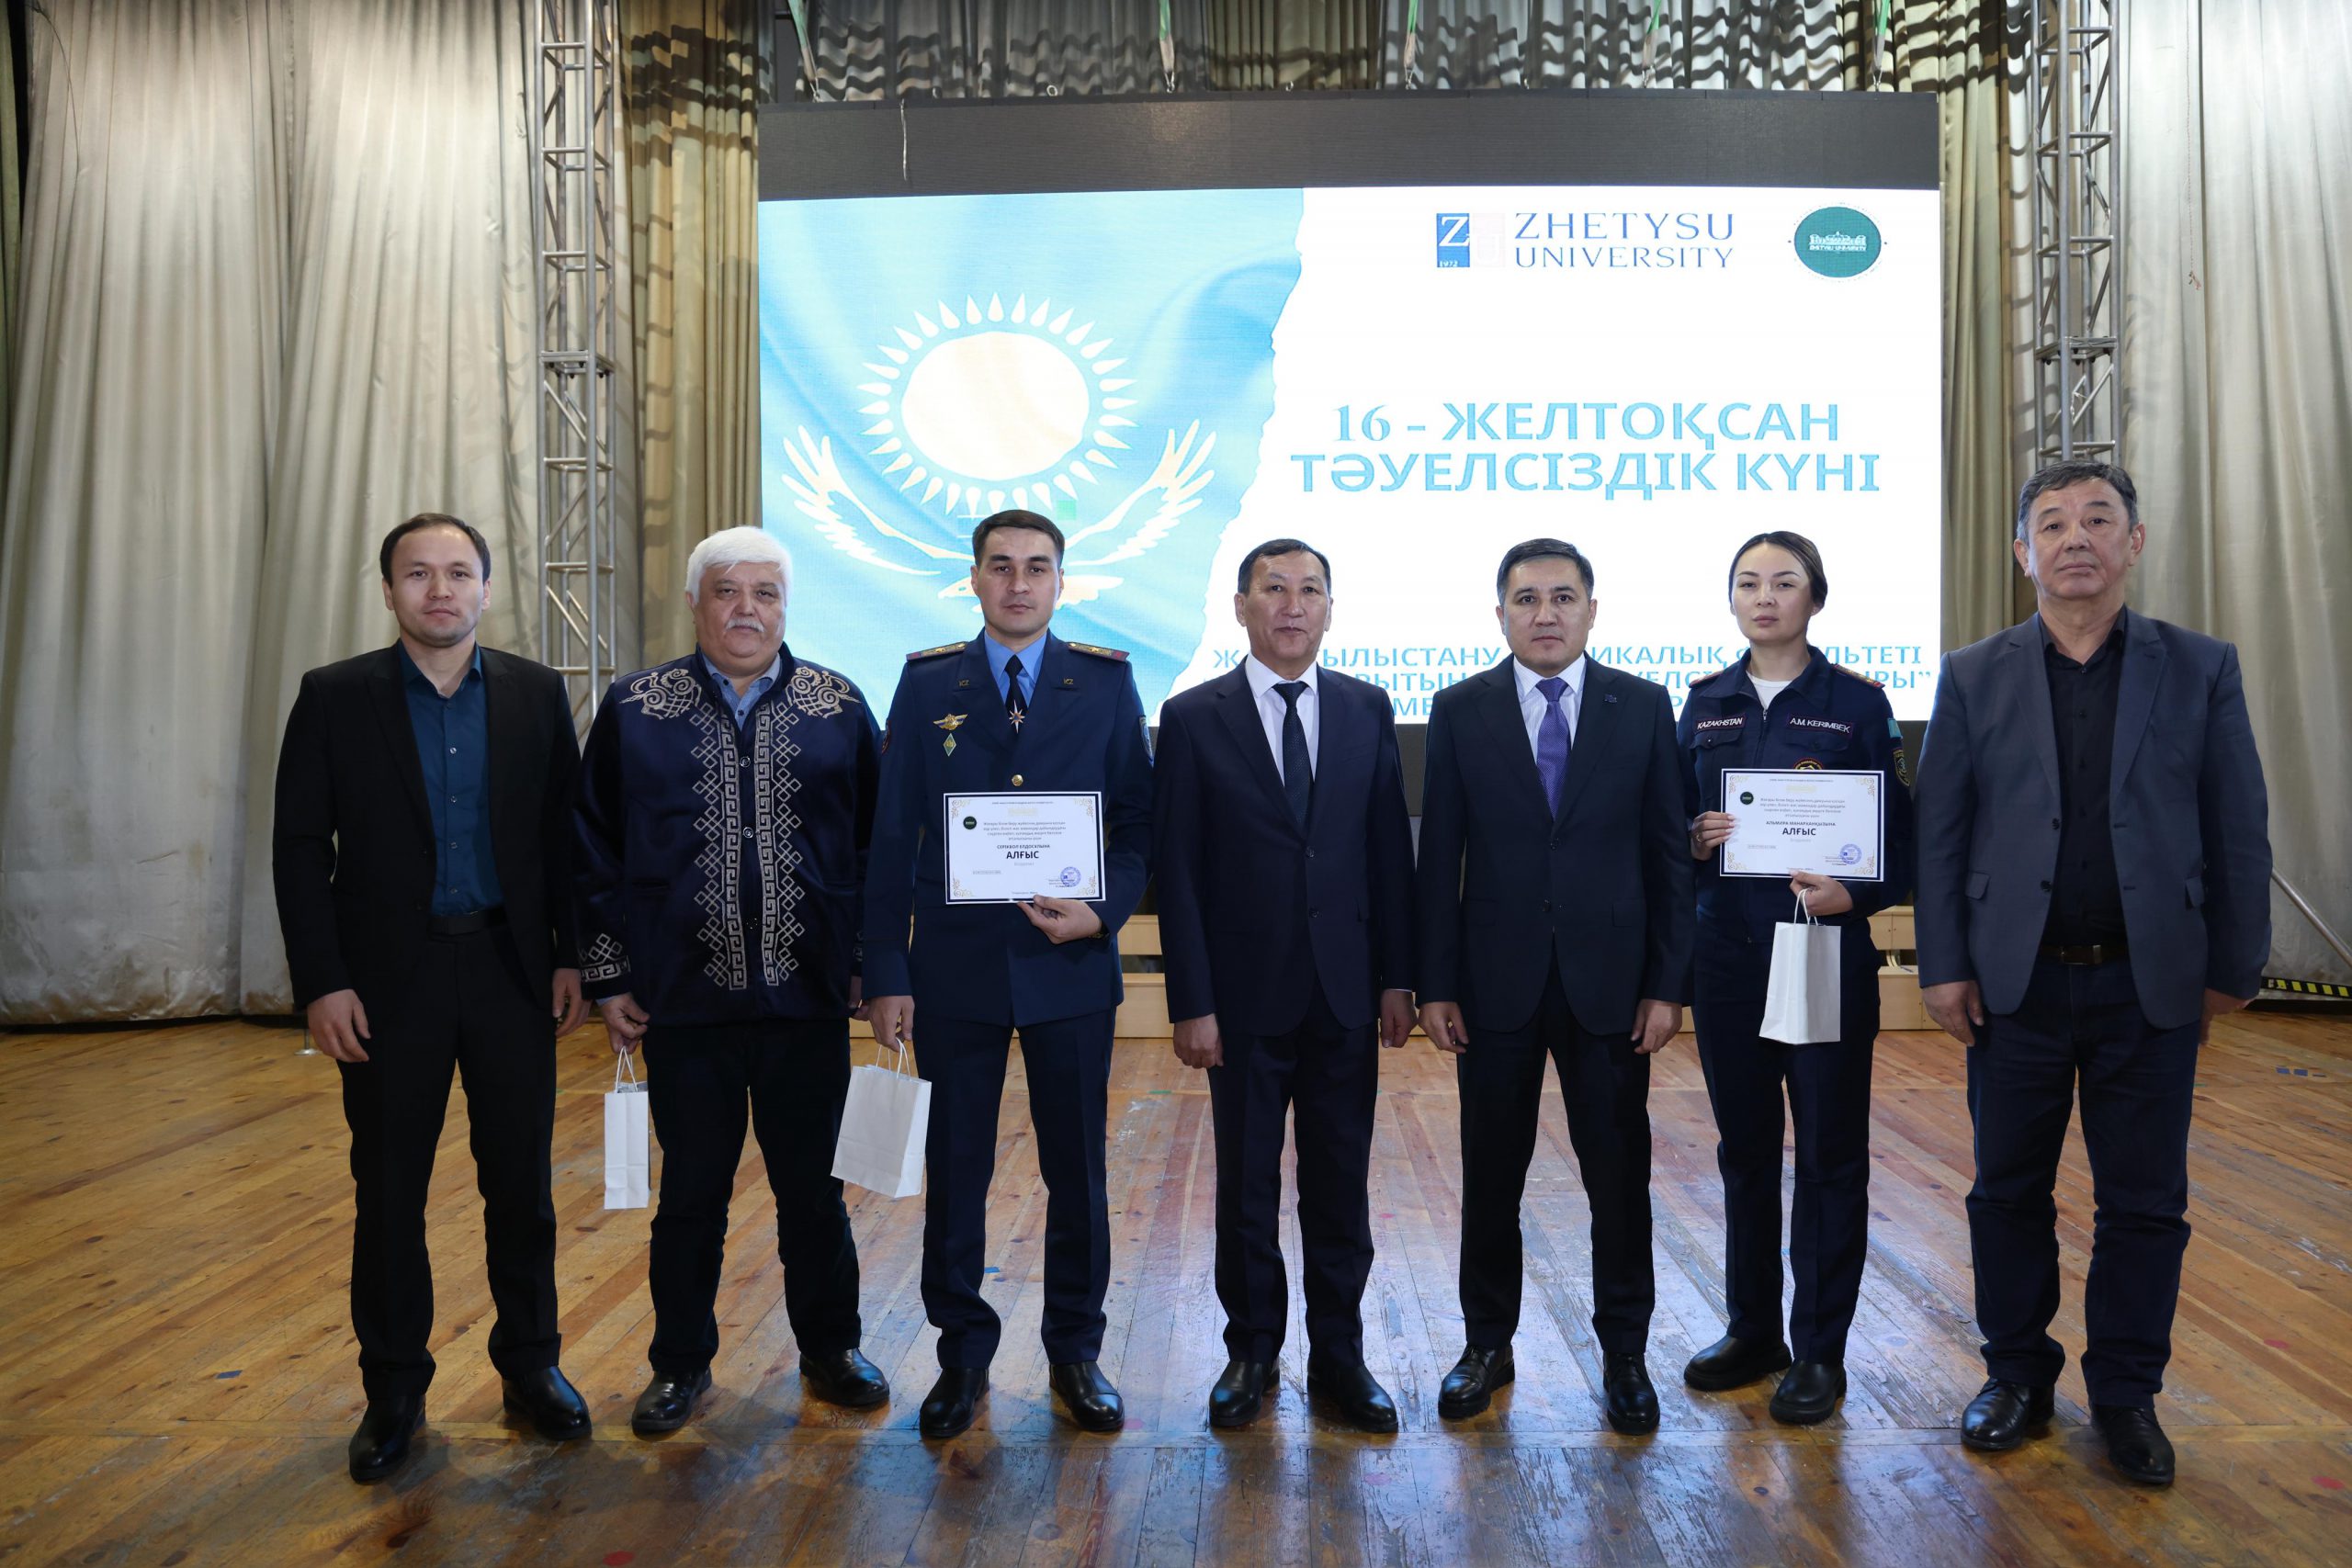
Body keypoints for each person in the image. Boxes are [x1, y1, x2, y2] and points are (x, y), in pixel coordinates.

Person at [1915, 459, 2271, 1486]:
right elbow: (1941, 834)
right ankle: (2015, 1375)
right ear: (2022, 552)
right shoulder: (1972, 673)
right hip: (2013, 987)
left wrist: (2233, 967)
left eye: (2098, 520)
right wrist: (1943, 964)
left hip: (2148, 985)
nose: (2076, 538)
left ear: (2134, 542)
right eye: (2053, 524)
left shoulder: (2200, 666)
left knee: (2145, 1203)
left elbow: (2237, 824)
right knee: (2005, 1193)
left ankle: (2126, 1394)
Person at [272, 512, 591, 1483]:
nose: (440, 589)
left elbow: (565, 839)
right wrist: (323, 980)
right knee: (389, 1193)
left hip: (508, 975)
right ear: (389, 591)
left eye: (458, 572)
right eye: (418, 573)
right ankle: (394, 1390)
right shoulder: (334, 697)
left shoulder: (537, 693)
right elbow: (299, 846)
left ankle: (531, 1367)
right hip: (384, 987)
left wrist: (571, 957)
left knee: (521, 1189)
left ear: (486, 589)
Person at [572, 526, 888, 1435]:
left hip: (808, 999)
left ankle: (831, 1349)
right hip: (683, 1001)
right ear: (694, 603)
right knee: (691, 1197)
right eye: (726, 591)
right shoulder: (635, 708)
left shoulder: (838, 705)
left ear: (786, 606)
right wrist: (609, 975)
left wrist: (867, 964)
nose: (746, 609)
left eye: (765, 593)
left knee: (813, 1194)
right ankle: (679, 1364)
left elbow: (875, 847)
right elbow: (591, 847)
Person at [861, 510, 1155, 1440]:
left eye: (1036, 568)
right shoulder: (927, 682)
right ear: (975, 579)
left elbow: (1137, 824)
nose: (1018, 583)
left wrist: (1102, 911)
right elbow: (891, 834)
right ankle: (962, 1356)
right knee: (956, 1171)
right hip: (955, 970)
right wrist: (885, 967)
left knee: (1078, 1172)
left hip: (1069, 964)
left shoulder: (1103, 681)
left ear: (1061, 581)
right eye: (1000, 567)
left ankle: (1075, 1351)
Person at [1416, 537, 1693, 1432]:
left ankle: (1625, 1355)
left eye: (1563, 597)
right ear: (1499, 613)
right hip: (1492, 984)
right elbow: (1439, 857)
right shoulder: (1458, 709)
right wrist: (1434, 983)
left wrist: (1666, 984)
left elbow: (1667, 855)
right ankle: (1485, 1345)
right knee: (1491, 1176)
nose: (1545, 614)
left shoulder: (1642, 706)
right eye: (1527, 598)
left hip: (1610, 987)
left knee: (1618, 1180)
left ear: (1591, 611)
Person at [1151, 539, 1417, 1431]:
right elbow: (1178, 872)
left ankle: (1340, 1354)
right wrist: (1191, 1002)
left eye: (1310, 590)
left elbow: (1388, 852)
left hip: (1345, 994)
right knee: (1246, 1188)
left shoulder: (1366, 707)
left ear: (1330, 609)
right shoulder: (1193, 717)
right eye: (1274, 589)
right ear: (1241, 606)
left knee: (1339, 1183)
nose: (1292, 605)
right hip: (1240, 1002)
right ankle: (1252, 1349)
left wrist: (1398, 979)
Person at [1675, 531, 1917, 1424]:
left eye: (1784, 582)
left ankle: (1819, 1349)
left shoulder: (1857, 703)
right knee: (1744, 1153)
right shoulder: (1704, 702)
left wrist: (1856, 894)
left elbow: (1901, 838)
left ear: (1816, 597)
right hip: (1728, 959)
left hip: (1822, 953)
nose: (1764, 596)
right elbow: (1668, 822)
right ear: (1731, 599)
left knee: (1827, 1156)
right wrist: (1692, 837)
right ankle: (1753, 1331)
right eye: (1748, 582)